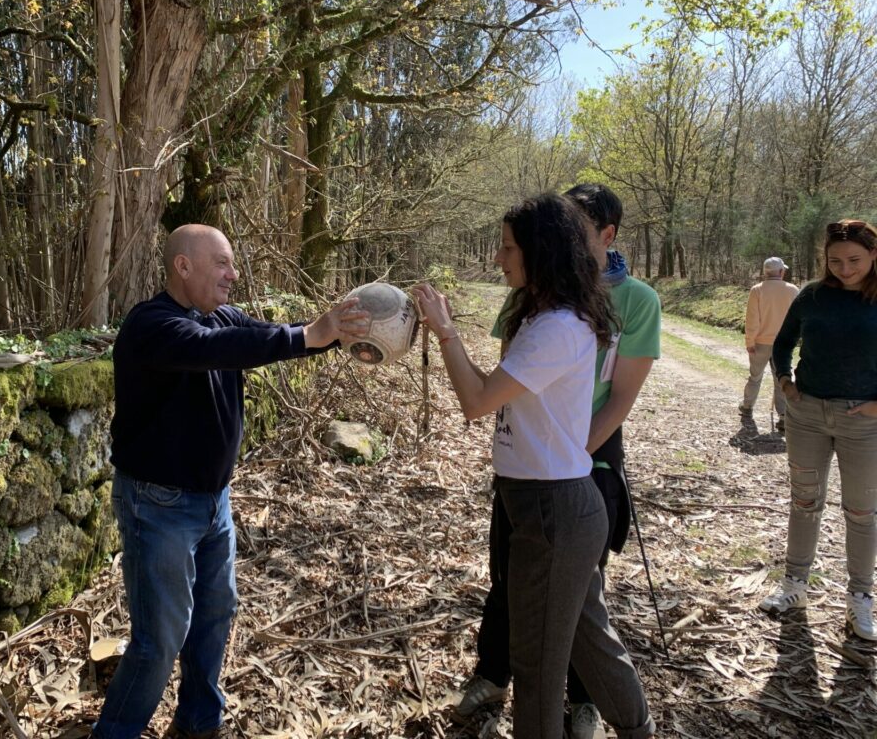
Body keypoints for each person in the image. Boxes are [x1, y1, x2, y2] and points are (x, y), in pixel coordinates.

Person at [93, 224, 370, 739]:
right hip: (159, 506)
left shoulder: (220, 318)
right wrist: (312, 332)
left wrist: (332, 335)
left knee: (216, 613)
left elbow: (259, 338)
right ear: (184, 266)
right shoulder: (151, 325)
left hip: (213, 503)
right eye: (221, 263)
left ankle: (199, 722)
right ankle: (114, 732)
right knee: (160, 638)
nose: (233, 274)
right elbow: (214, 348)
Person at [415, 193, 656, 739]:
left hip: (554, 510)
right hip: (549, 505)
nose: (499, 259)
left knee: (538, 662)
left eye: (507, 248)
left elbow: (476, 402)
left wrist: (447, 331)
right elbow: (492, 389)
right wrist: (445, 335)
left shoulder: (557, 328)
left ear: (539, 252)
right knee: (587, 639)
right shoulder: (544, 317)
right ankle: (638, 728)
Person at [759, 219, 877, 642]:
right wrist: (785, 380)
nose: (845, 268)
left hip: (863, 423)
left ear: (873, 255)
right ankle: (794, 586)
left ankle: (860, 599)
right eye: (835, 260)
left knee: (862, 513)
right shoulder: (812, 295)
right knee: (804, 502)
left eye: (855, 260)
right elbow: (783, 341)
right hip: (807, 414)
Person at [739, 257, 799, 432]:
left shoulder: (757, 290)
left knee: (755, 377)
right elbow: (797, 319)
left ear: (766, 272)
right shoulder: (793, 290)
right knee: (782, 379)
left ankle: (748, 407)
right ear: (781, 272)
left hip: (761, 343)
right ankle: (783, 415)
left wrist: (750, 341)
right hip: (784, 344)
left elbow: (752, 319)